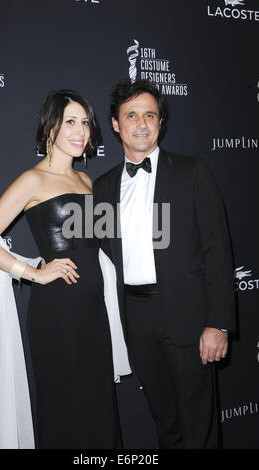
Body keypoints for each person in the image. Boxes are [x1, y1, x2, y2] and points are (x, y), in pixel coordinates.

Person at [0, 89, 130, 449]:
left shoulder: (87, 182)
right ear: (50, 127)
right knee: (66, 410)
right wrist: (31, 272)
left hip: (94, 312)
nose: (80, 130)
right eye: (70, 121)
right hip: (58, 314)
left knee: (100, 410)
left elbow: (102, 248)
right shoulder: (33, 180)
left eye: (85, 122)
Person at [94, 79, 236, 449]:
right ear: (115, 124)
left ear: (160, 122)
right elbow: (98, 252)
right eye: (131, 115)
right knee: (165, 420)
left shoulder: (192, 172)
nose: (141, 123)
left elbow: (218, 253)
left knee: (199, 424)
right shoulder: (104, 187)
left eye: (150, 115)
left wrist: (218, 324)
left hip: (189, 316)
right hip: (136, 318)